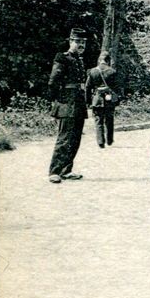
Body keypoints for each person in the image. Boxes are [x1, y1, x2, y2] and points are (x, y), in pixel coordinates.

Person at [47, 27, 88, 183]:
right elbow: (53, 82)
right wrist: (56, 101)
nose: (81, 45)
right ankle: (54, 171)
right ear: (71, 41)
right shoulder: (62, 58)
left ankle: (66, 170)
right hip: (66, 103)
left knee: (75, 139)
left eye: (83, 42)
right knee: (64, 138)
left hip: (78, 104)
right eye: (78, 41)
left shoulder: (79, 60)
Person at [84, 50, 120, 149]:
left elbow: (87, 87)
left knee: (98, 120)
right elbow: (117, 87)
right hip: (109, 99)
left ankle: (100, 141)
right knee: (109, 120)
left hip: (97, 99)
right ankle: (109, 140)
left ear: (99, 60)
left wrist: (87, 101)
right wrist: (117, 100)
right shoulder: (112, 72)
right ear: (108, 60)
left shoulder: (92, 71)